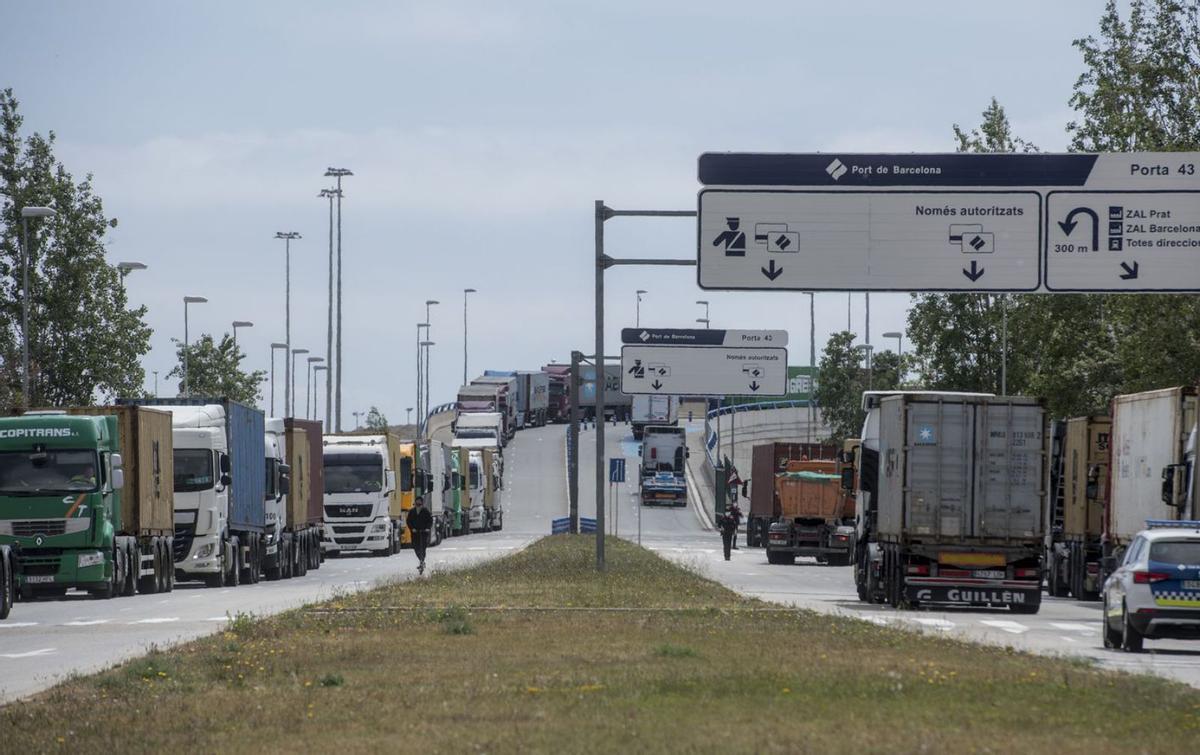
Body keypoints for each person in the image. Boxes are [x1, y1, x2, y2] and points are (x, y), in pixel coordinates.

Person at [406, 495, 433, 574]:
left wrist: (427, 528)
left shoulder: (425, 511)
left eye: (420, 503)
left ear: (422, 503)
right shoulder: (412, 511)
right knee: (415, 547)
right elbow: (408, 521)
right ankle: (421, 560)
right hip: (415, 533)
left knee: (423, 547)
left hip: (423, 532)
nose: (418, 505)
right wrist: (412, 528)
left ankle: (422, 561)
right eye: (417, 503)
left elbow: (430, 521)